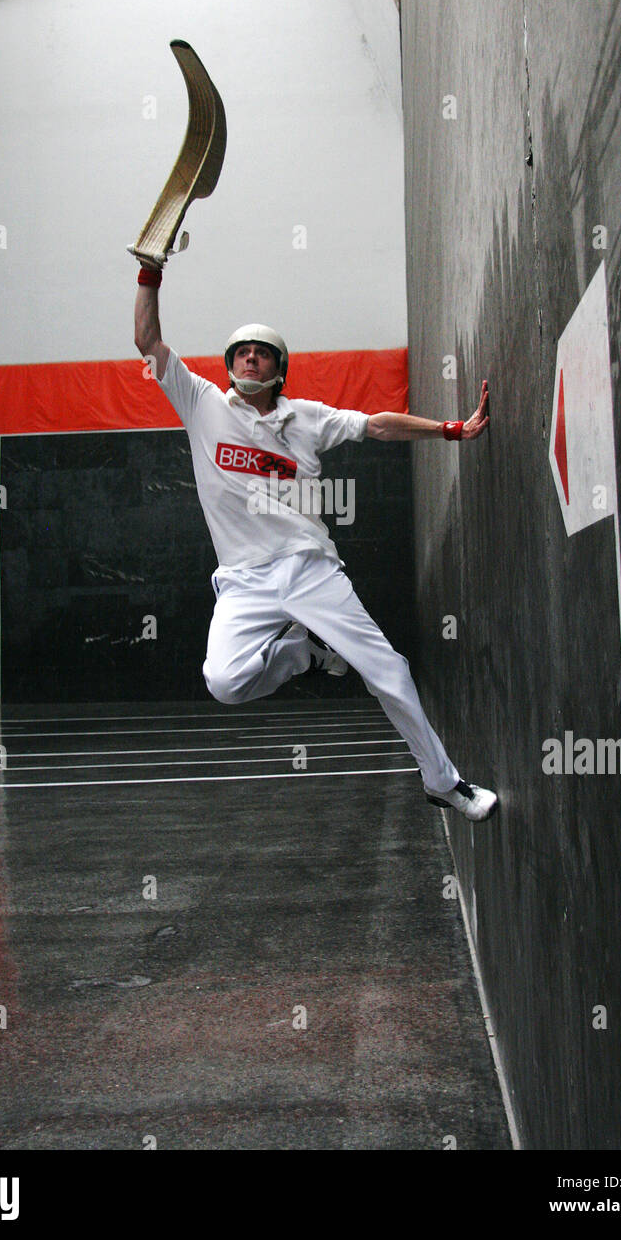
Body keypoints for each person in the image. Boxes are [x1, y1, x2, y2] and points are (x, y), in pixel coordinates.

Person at [134, 261, 496, 821]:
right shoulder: (200, 403)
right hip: (244, 581)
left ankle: (444, 782)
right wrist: (150, 276)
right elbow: (147, 341)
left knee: (389, 670)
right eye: (240, 352)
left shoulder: (307, 418)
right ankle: (303, 654)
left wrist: (450, 429)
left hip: (309, 569)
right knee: (225, 682)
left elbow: (377, 424)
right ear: (229, 367)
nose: (249, 357)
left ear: (280, 368)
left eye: (261, 351)